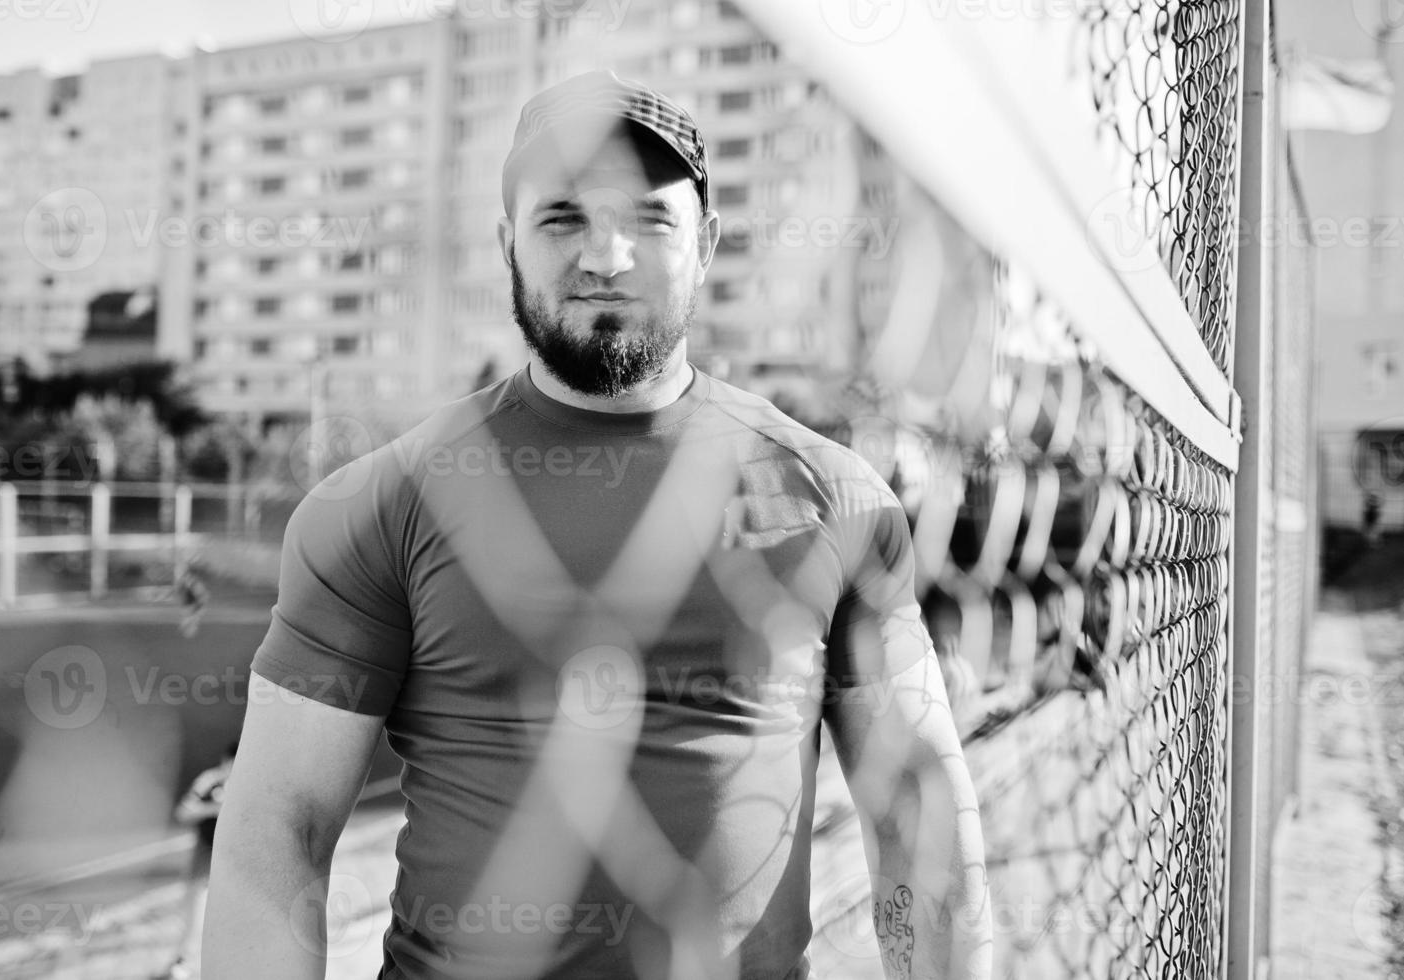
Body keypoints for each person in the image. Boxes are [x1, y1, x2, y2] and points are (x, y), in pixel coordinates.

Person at [205, 71, 991, 980]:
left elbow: (915, 818)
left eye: (649, 220)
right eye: (562, 217)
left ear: (707, 246)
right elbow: (278, 827)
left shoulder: (836, 500)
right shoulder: (381, 503)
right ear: (508, 244)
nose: (604, 255)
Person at [157, 740, 238, 980]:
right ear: (225, 762)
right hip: (205, 851)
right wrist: (217, 808)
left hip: (236, 854)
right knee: (193, 906)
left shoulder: (253, 782)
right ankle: (183, 961)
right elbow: (184, 811)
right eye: (232, 763)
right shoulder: (210, 780)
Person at [176, 562, 209, 639]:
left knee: (192, 616)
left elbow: (202, 596)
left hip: (193, 604)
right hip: (191, 604)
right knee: (191, 616)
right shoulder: (187, 582)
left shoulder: (192, 582)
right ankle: (189, 628)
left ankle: (189, 628)